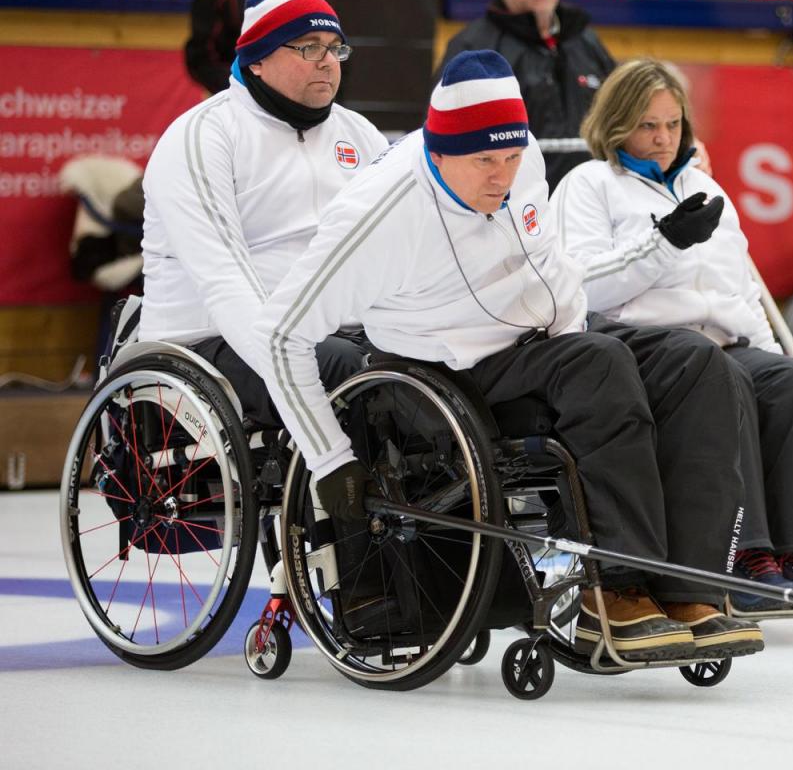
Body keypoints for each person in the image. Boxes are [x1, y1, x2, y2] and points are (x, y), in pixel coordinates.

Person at [256, 50, 765, 661]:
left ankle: (690, 588)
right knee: (599, 365)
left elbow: (551, 268)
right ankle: (615, 590)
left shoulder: (521, 159)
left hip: (550, 336)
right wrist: (329, 455)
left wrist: (576, 327)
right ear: (436, 154)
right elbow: (279, 334)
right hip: (451, 368)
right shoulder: (376, 215)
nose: (502, 175)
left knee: (697, 363)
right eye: (484, 162)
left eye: (511, 157)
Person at [549, 58, 793, 612]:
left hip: (721, 340)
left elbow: (740, 289)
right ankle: (745, 556)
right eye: (647, 125)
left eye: (672, 123)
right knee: (727, 378)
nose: (663, 138)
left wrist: (770, 350)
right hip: (648, 351)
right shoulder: (589, 185)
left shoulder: (705, 187)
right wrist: (664, 242)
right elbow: (581, 288)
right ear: (617, 124)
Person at [142, 0, 387, 438]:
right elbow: (222, 280)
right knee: (355, 371)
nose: (327, 61)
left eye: (335, 49)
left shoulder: (361, 135)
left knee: (431, 358)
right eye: (308, 47)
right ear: (256, 60)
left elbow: (394, 249)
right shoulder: (201, 137)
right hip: (214, 341)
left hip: (337, 331)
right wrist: (288, 357)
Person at [437, 0, 614, 192]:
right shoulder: (471, 50)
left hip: (588, 206)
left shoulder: (588, 42)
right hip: (507, 207)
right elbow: (444, 144)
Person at [184, 0, 334, 95]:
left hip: (306, 102)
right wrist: (247, 92)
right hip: (233, 100)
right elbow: (200, 58)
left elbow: (334, 50)